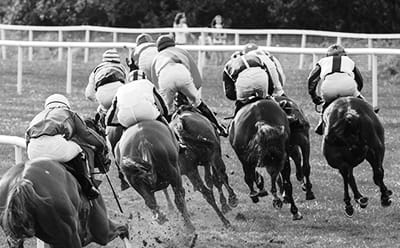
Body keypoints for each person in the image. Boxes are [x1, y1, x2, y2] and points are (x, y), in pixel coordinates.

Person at [25, 94, 108, 200]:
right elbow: (86, 134)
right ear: (66, 106)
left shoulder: (37, 117)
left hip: (33, 151)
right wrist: (101, 144)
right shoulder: (70, 113)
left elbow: (27, 140)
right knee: (78, 149)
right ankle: (87, 187)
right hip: (55, 146)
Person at [151, 34, 227, 137]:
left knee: (166, 110)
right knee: (198, 102)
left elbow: (156, 88)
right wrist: (188, 94)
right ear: (173, 44)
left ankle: (165, 137)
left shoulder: (156, 58)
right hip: (182, 74)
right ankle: (219, 128)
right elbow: (198, 81)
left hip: (165, 77)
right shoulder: (182, 51)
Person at [308, 44, 378, 135]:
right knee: (362, 102)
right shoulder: (349, 60)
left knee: (326, 105)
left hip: (329, 87)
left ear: (328, 55)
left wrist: (314, 96)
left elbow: (311, 79)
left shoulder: (322, 61)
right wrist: (357, 93)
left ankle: (321, 122)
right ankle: (371, 114)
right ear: (344, 55)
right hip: (347, 86)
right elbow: (359, 80)